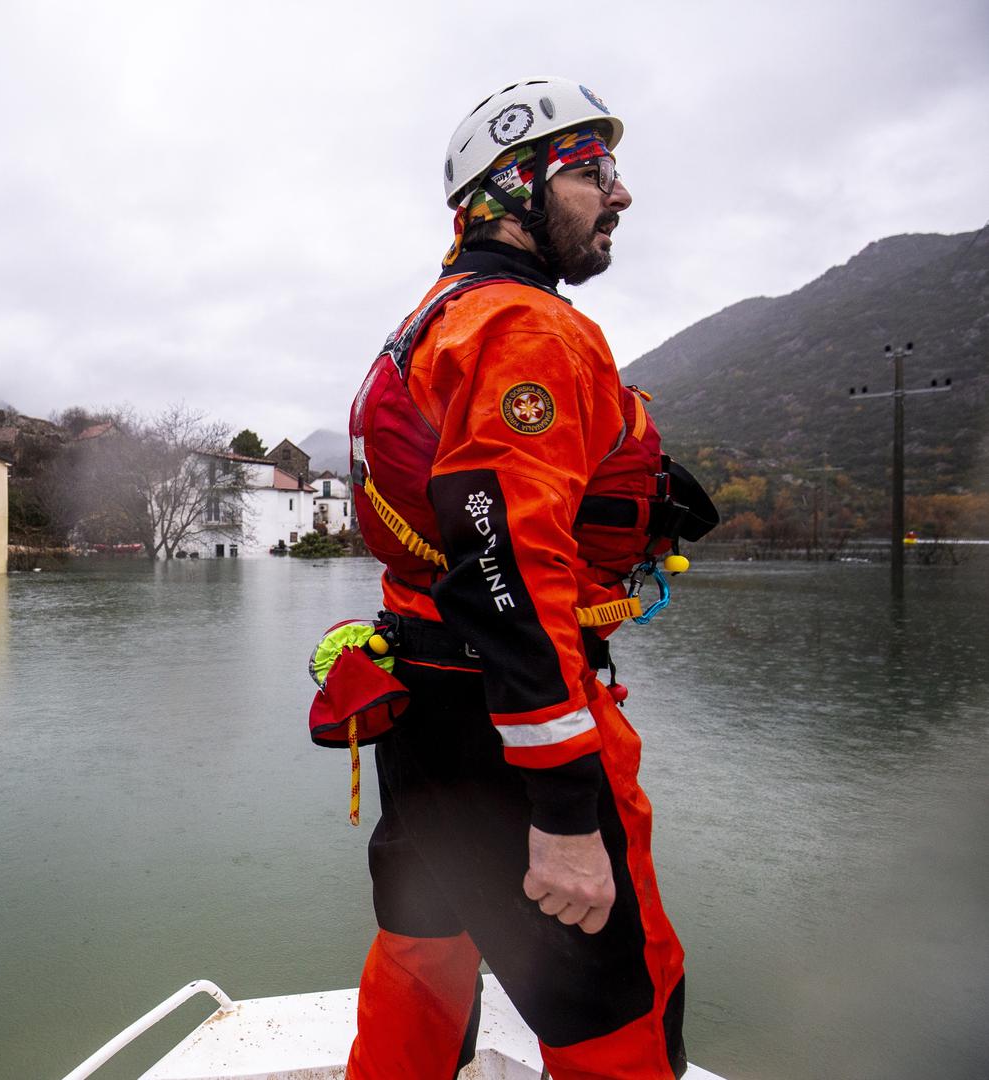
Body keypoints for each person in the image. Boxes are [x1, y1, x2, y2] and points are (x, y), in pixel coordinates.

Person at [343, 77, 715, 1079]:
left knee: (420, 965)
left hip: (425, 715)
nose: (620, 194)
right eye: (593, 172)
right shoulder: (525, 328)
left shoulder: (432, 322)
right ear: (512, 188)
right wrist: (562, 817)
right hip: (507, 734)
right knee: (619, 1018)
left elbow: (465, 537)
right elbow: (503, 560)